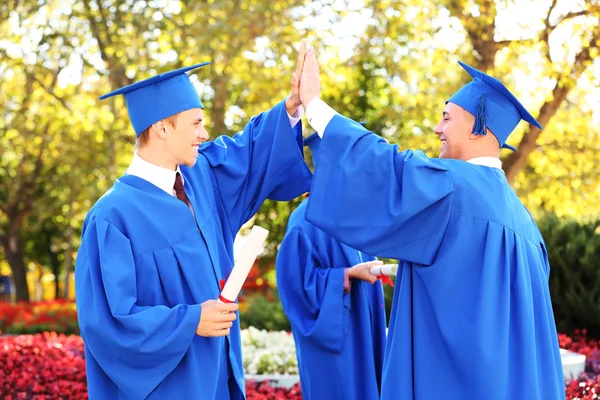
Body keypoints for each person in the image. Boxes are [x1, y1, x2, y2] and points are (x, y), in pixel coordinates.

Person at [298, 46, 565, 399]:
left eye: (447, 117)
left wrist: (314, 106)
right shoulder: (524, 222)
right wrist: (411, 273)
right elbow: (483, 293)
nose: (437, 128)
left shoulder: (452, 185)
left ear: (478, 127)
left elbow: (385, 167)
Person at [74, 42, 313, 400]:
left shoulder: (202, 178)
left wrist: (292, 106)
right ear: (162, 129)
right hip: (170, 388)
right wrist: (190, 321)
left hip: (219, 375)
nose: (204, 134)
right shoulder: (112, 218)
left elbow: (248, 153)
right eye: (196, 123)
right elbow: (108, 322)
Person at [276, 132, 387, 400]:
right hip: (336, 342)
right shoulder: (304, 220)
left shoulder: (356, 215)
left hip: (365, 328)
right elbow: (296, 287)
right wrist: (347, 275)